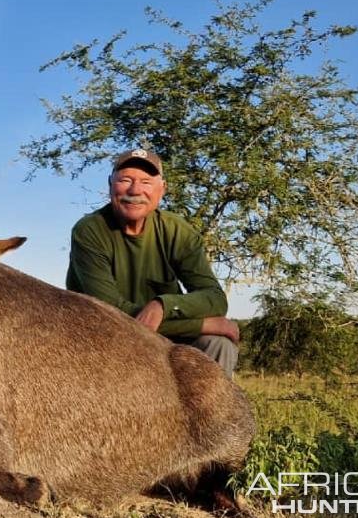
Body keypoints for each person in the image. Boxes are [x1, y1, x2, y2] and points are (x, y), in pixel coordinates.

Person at [66, 147, 239, 377]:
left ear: (162, 189)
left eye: (146, 182)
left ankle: (215, 413)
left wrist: (163, 305)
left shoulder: (178, 231)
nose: (135, 190)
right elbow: (109, 313)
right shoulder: (90, 231)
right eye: (125, 180)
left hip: (165, 338)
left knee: (218, 344)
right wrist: (203, 324)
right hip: (106, 337)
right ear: (110, 185)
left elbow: (215, 298)